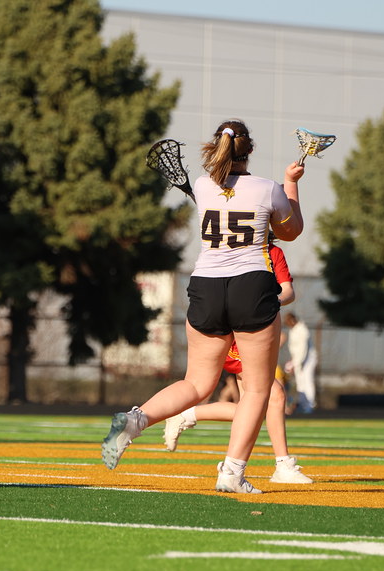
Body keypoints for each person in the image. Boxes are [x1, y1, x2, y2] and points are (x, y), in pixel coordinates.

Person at [100, 119, 305, 493]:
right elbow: (290, 231)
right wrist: (291, 184)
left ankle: (135, 420)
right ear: (250, 150)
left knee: (196, 383)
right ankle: (232, 473)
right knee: (257, 391)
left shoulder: (201, 185)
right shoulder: (268, 188)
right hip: (251, 286)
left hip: (206, 285)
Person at [163, 241, 313, 484]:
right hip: (230, 334)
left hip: (255, 330)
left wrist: (268, 302)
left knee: (252, 408)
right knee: (274, 396)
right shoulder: (224, 247)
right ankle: (280, 464)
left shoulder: (272, 252)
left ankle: (189, 416)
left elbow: (288, 291)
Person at [284, 311, 317, 413]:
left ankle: (310, 405)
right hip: (298, 360)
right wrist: (293, 361)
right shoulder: (293, 330)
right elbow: (295, 349)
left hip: (307, 359)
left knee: (307, 380)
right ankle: (303, 404)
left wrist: (296, 363)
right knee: (300, 382)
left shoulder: (302, 329)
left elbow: (303, 349)